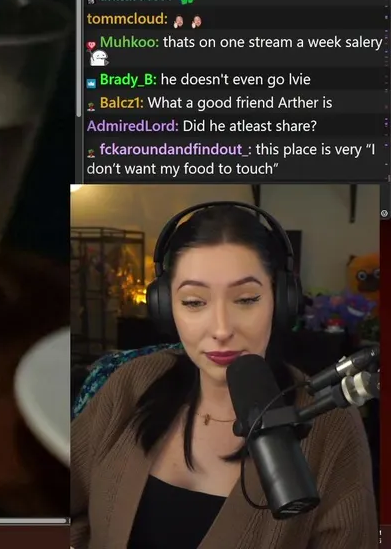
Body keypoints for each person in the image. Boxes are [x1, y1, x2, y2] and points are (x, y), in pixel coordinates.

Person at [70, 203, 376, 548]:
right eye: (194, 302)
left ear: (281, 301)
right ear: (165, 306)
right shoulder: (132, 382)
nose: (221, 329)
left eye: (246, 299)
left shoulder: (331, 423)